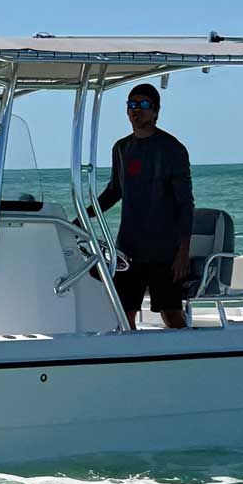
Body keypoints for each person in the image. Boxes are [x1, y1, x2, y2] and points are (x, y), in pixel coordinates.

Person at [88, 82, 194, 329]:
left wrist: (183, 252)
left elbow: (185, 204)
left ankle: (185, 361)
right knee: (124, 316)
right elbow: (113, 192)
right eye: (132, 104)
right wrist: (82, 218)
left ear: (155, 111)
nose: (137, 110)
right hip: (128, 249)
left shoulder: (172, 149)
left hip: (164, 251)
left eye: (144, 104)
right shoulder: (122, 148)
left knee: (171, 315)